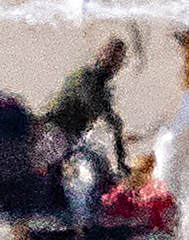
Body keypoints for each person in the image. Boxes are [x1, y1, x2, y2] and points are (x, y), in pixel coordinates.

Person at [43, 37, 129, 166]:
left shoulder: (102, 87)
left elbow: (110, 120)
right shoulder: (87, 77)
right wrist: (115, 124)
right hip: (55, 132)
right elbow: (96, 105)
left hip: (72, 138)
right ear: (101, 55)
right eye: (111, 57)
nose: (114, 64)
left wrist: (121, 161)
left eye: (118, 60)